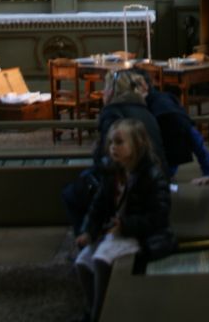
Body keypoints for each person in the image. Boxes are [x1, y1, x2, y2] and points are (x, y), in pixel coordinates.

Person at [74, 118, 176, 322]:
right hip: (116, 232)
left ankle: (100, 316)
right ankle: (92, 308)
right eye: (111, 143)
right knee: (82, 261)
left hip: (142, 236)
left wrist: (126, 225)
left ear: (137, 144)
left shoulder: (152, 176)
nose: (113, 148)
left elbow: (159, 217)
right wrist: (88, 231)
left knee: (101, 259)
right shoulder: (112, 173)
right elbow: (98, 207)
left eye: (119, 142)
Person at [63, 69, 168, 237]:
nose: (103, 93)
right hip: (157, 174)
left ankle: (88, 240)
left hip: (137, 180)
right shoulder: (145, 109)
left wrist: (98, 152)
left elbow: (107, 157)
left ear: (111, 91)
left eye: (104, 89)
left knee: (72, 194)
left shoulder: (112, 111)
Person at [132, 68, 209, 185]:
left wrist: (207, 172)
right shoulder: (157, 100)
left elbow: (190, 133)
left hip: (165, 159)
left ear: (144, 86)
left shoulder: (164, 108)